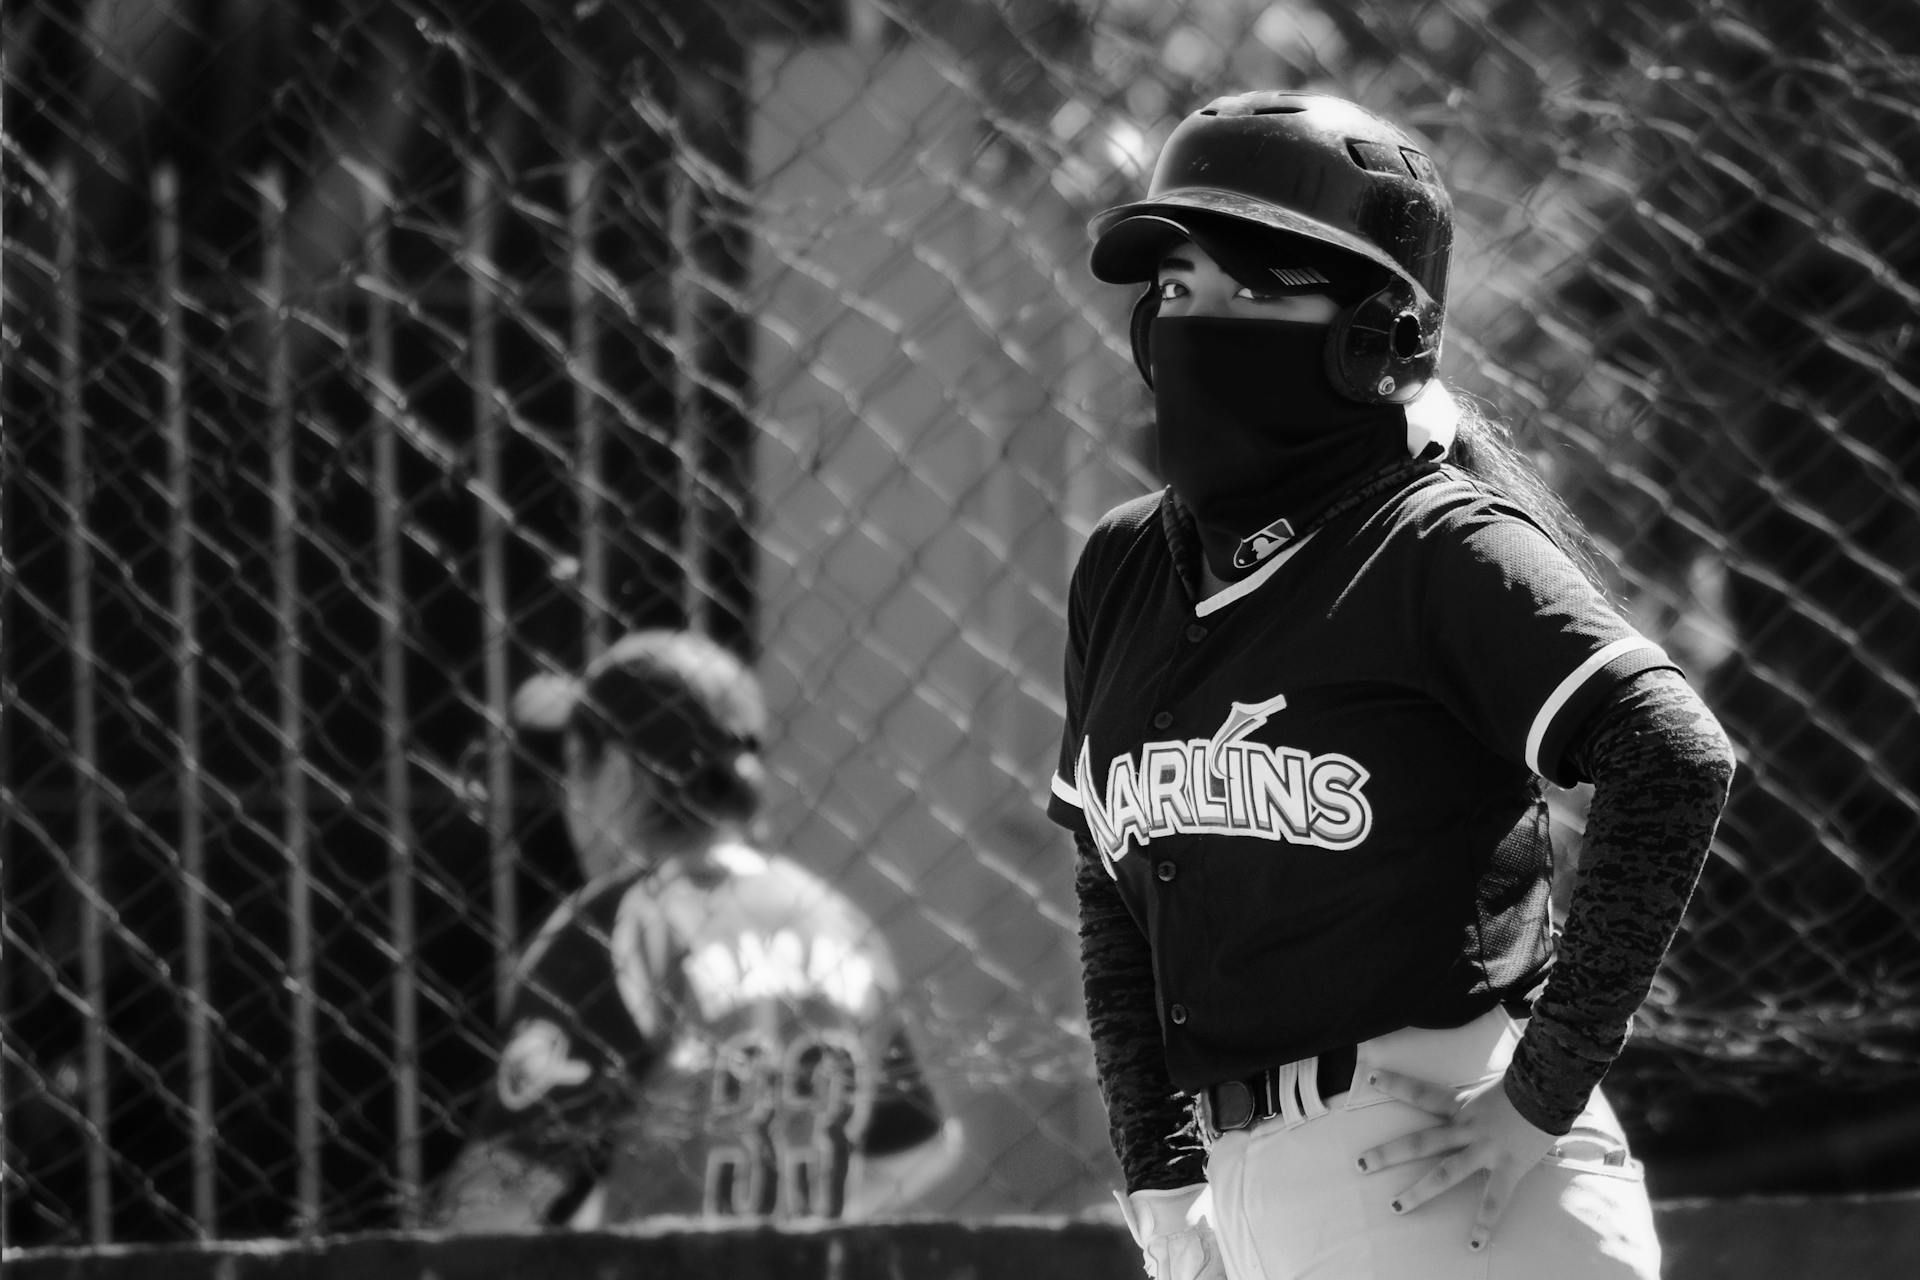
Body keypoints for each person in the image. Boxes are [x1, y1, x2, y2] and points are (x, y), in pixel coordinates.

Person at [1046, 92, 1736, 1280]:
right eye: (1173, 289)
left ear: (1377, 336)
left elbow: (1674, 755)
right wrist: (1160, 1175)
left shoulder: (1430, 543)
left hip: (1445, 1164)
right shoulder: (1125, 566)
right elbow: (1112, 878)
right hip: (1256, 1196)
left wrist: (1543, 1090)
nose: (1191, 324)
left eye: (1248, 290)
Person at [429, 629, 964, 1229]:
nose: (568, 799)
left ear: (621, 776)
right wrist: (785, 1239)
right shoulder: (833, 921)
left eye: (577, 767)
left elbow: (496, 1202)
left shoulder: (621, 922)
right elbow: (920, 1146)